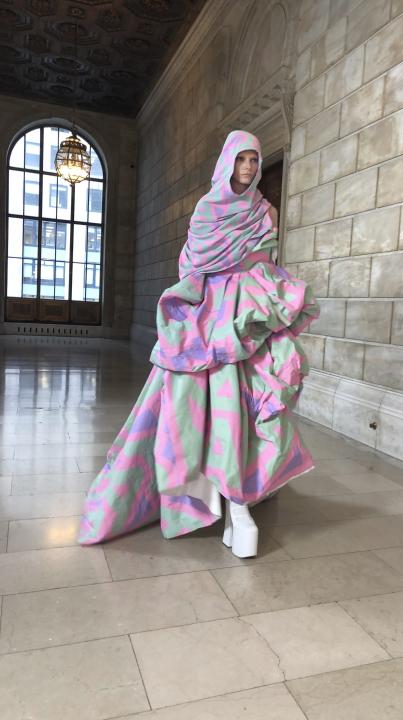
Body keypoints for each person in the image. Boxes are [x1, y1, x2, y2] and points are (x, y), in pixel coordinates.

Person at [78, 130, 320, 557]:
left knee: (253, 400)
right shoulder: (207, 210)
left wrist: (262, 299)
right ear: (227, 162)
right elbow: (193, 265)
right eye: (241, 159)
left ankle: (241, 492)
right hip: (212, 317)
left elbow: (267, 262)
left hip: (251, 314)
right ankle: (215, 491)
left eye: (253, 160)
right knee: (204, 400)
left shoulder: (267, 211)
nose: (248, 167)